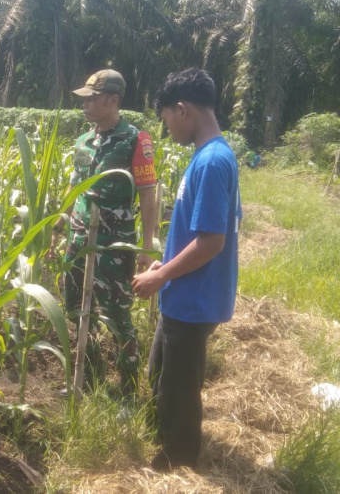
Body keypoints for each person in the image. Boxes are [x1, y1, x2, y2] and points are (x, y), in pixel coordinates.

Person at [132, 68, 242, 471]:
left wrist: (161, 275)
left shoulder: (212, 162)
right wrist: (169, 265)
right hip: (184, 292)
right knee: (162, 371)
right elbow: (204, 230)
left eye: (166, 121)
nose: (167, 130)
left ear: (183, 110)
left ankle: (178, 460)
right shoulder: (211, 155)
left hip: (192, 299)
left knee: (179, 386)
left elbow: (213, 241)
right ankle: (169, 438)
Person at [48, 69, 157, 398]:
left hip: (115, 244)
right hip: (80, 241)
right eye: (84, 99)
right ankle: (90, 379)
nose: (85, 105)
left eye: (92, 99)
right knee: (76, 308)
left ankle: (126, 393)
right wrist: (58, 224)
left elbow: (148, 195)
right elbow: (75, 184)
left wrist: (145, 247)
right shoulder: (83, 141)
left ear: (113, 100)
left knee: (118, 316)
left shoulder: (136, 140)